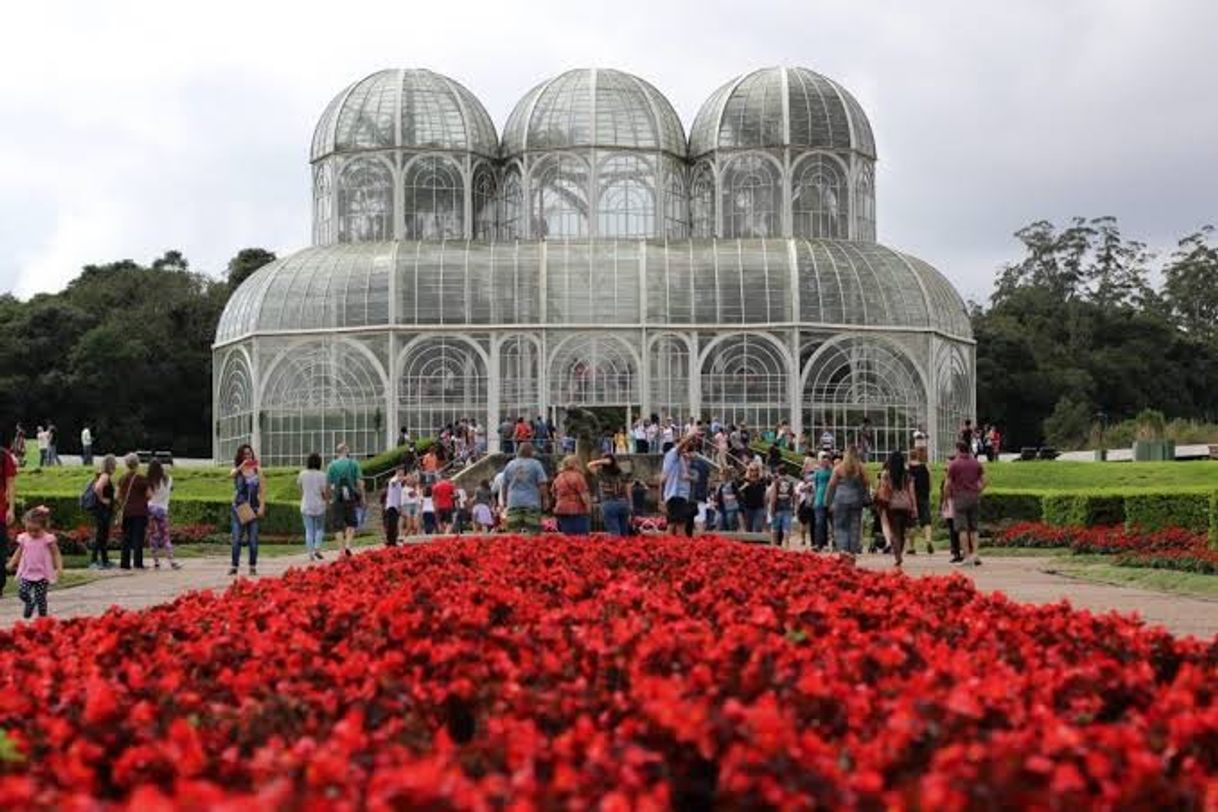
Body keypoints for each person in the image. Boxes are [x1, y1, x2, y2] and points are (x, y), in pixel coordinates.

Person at [6, 506, 62, 619]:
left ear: (44, 526)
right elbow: (19, 552)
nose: (32, 533)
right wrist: (12, 562)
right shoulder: (24, 538)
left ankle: (43, 618)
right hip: (27, 572)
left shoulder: (48, 539)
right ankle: (30, 603)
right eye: (29, 530)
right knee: (22, 592)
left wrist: (59, 568)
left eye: (36, 530)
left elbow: (56, 553)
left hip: (42, 573)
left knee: (40, 598)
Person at [946, 441, 986, 566]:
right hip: (974, 497)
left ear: (958, 450)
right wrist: (978, 490)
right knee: (974, 528)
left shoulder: (954, 464)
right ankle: (976, 554)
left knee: (962, 528)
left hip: (960, 497)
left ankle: (967, 555)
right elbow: (984, 480)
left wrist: (947, 497)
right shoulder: (976, 463)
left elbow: (947, 483)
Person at [826, 446, 871, 556]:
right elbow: (867, 483)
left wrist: (828, 501)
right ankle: (852, 551)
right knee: (855, 526)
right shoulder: (861, 468)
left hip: (840, 500)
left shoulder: (839, 468)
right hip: (856, 500)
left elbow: (831, 485)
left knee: (840, 526)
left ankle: (843, 549)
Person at [230, 444, 266, 576]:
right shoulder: (237, 470)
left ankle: (252, 565)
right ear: (240, 456)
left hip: (253, 507)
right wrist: (242, 466)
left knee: (253, 539)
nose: (248, 456)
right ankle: (234, 565)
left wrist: (262, 506)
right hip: (239, 508)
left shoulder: (258, 470)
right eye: (245, 454)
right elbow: (231, 475)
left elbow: (262, 489)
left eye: (249, 453)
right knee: (236, 538)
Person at [877, 450, 917, 567]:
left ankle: (897, 555)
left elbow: (883, 489)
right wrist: (914, 507)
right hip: (905, 505)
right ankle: (900, 551)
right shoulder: (907, 476)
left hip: (892, 505)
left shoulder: (886, 475)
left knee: (894, 531)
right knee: (902, 531)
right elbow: (912, 492)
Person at [501, 442, 548, 534]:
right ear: (531, 452)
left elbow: (504, 485)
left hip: (513, 501)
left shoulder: (510, 464)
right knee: (533, 532)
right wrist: (545, 499)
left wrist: (505, 500)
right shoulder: (536, 464)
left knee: (513, 533)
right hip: (532, 502)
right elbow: (542, 484)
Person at [326, 442, 364, 558]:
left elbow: (327, 484)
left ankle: (341, 550)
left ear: (337, 452)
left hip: (337, 497)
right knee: (352, 523)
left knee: (337, 525)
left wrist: (329, 498)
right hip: (350, 497)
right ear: (346, 451)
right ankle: (347, 545)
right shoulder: (353, 464)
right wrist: (362, 496)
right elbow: (359, 482)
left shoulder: (331, 465)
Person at [145, 460, 180, 570]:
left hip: (150, 509)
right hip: (163, 509)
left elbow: (148, 495)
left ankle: (156, 561)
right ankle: (171, 560)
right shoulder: (168, 479)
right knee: (165, 536)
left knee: (152, 535)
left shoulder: (150, 481)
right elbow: (171, 489)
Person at [659, 433, 695, 537]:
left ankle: (672, 548)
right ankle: (680, 548)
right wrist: (691, 435)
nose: (685, 448)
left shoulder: (681, 458)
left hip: (677, 496)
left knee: (673, 524)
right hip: (676, 495)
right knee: (680, 526)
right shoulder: (673, 454)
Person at [117, 453, 149, 570]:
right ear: (137, 464)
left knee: (126, 537)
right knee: (138, 537)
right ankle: (137, 562)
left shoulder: (122, 478)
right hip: (140, 512)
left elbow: (118, 495)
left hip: (126, 511)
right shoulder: (142, 479)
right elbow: (149, 494)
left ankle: (124, 563)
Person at [587, 453, 631, 536]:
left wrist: (602, 461)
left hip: (608, 503)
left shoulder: (601, 473)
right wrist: (630, 504)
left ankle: (617, 547)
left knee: (614, 530)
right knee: (624, 531)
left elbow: (589, 465)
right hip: (623, 502)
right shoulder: (622, 474)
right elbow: (628, 490)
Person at [298, 452, 329, 561]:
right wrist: (327, 502)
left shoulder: (302, 474)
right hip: (319, 505)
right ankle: (317, 547)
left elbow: (301, 489)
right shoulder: (322, 475)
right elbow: (324, 492)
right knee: (320, 529)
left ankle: (310, 552)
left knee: (309, 530)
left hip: (306, 505)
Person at [88, 455, 117, 570]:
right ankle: (94, 560)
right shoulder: (105, 476)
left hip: (104, 510)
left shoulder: (104, 475)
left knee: (104, 535)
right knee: (101, 535)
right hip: (102, 510)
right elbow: (98, 488)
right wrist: (103, 499)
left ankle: (104, 560)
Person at [551, 455, 592, 535]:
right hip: (577, 510)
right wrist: (588, 508)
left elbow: (553, 493)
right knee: (581, 537)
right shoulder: (578, 476)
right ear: (576, 464)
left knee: (568, 536)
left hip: (562, 509)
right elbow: (584, 495)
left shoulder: (559, 477)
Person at [0, 434, 17, 597]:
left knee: (0, 550)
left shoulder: (4, 456)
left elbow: (11, 484)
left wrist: (11, 508)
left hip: (0, 510)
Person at [909, 447, 934, 555]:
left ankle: (912, 546)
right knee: (927, 520)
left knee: (912, 523)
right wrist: (929, 490)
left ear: (909, 456)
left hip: (911, 498)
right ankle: (928, 540)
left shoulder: (907, 468)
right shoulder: (926, 467)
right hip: (924, 495)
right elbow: (931, 481)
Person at [767, 468, 798, 548]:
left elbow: (773, 497)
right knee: (786, 529)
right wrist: (794, 507)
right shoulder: (790, 483)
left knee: (775, 528)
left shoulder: (776, 483)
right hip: (787, 507)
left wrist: (772, 509)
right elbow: (794, 496)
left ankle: (774, 545)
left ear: (778, 472)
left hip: (778, 508)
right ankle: (786, 545)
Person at [811, 451, 833, 551]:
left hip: (830, 500)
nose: (825, 463)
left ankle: (828, 543)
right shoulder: (818, 472)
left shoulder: (832, 472)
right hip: (819, 499)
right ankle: (819, 543)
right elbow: (815, 486)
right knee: (819, 522)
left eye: (827, 461)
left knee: (831, 523)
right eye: (823, 461)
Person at [739, 463, 768, 534]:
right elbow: (737, 492)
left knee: (757, 528)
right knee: (748, 529)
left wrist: (766, 508)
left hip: (759, 507)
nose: (754, 472)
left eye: (756, 470)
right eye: (752, 470)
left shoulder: (762, 480)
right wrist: (744, 486)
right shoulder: (744, 480)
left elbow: (764, 494)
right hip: (747, 507)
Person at [382, 465, 406, 546]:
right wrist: (399, 479)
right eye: (400, 473)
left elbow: (399, 497)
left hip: (395, 507)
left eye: (403, 473)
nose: (402, 475)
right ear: (397, 473)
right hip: (391, 507)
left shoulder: (399, 484)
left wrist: (400, 507)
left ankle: (392, 541)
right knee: (391, 525)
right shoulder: (394, 480)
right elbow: (393, 482)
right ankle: (390, 542)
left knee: (394, 525)